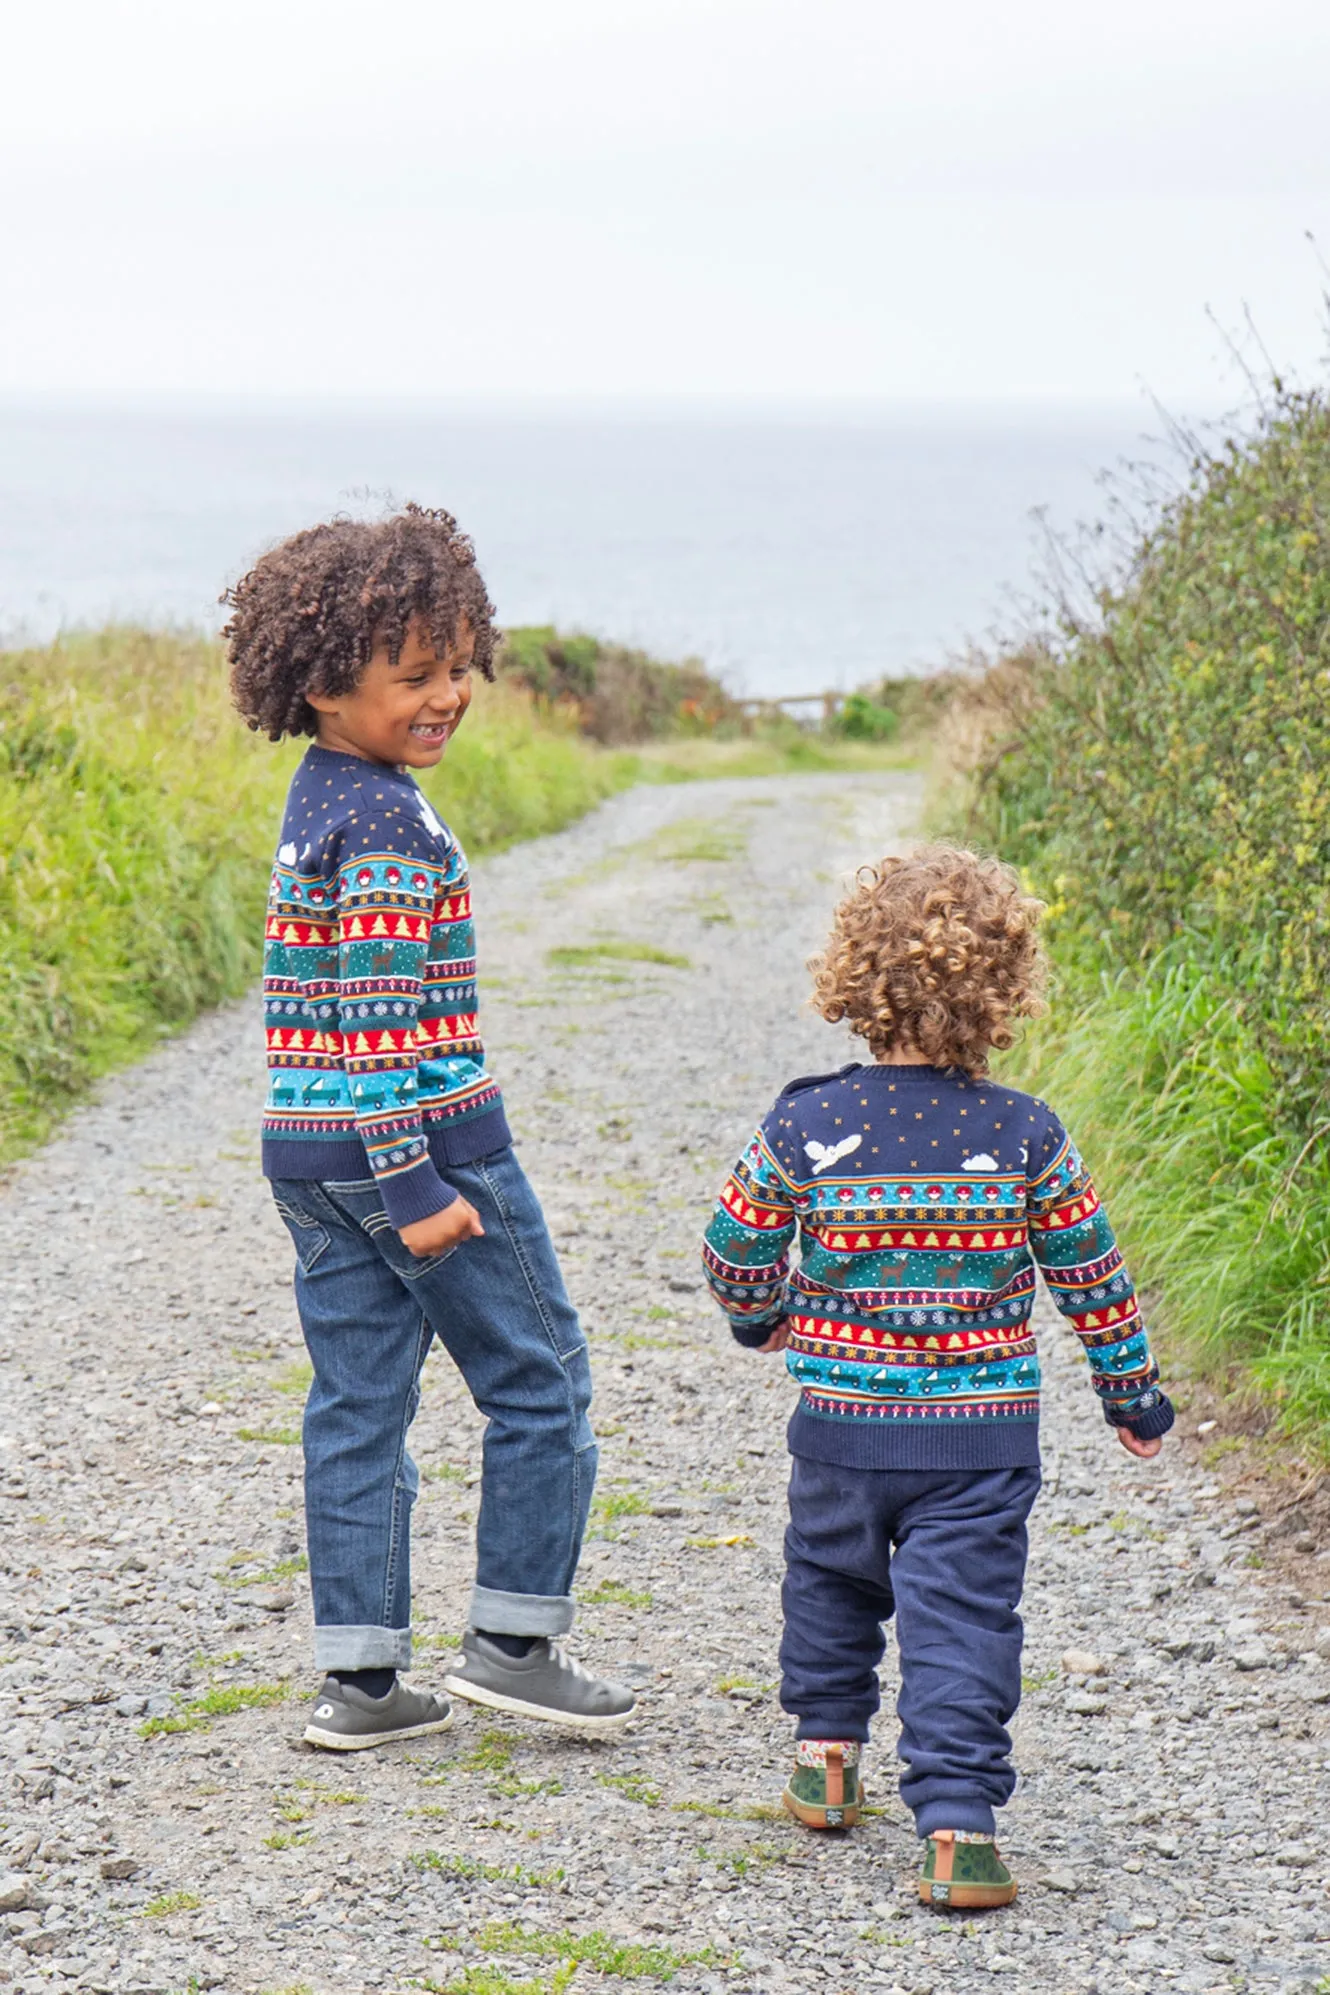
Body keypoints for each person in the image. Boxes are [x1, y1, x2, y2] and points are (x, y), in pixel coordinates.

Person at [224, 504, 634, 1751]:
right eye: (414, 676)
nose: (448, 694)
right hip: (419, 1152)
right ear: (323, 685)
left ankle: (361, 1681)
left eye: (460, 665)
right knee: (540, 1381)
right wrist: (414, 1184)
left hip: (307, 1154)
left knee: (356, 1404)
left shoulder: (326, 793)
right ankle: (514, 1645)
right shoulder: (393, 823)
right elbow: (379, 1025)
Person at [701, 845, 1172, 1907]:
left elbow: (731, 1249)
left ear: (852, 978)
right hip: (979, 1442)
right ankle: (958, 1827)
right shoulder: (1023, 1136)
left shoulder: (805, 1127)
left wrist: (763, 1319)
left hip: (841, 1427)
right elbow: (1091, 1273)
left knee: (830, 1580)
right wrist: (1129, 1393)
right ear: (1001, 990)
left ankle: (826, 1764)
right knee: (961, 1617)